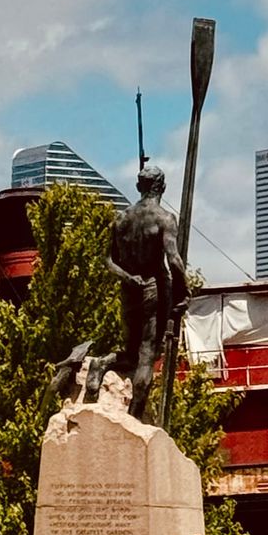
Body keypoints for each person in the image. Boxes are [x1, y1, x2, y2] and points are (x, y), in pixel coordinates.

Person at [84, 166, 188, 420]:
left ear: (139, 187)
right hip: (154, 289)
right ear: (161, 187)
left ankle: (102, 362)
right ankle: (135, 416)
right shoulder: (165, 218)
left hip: (129, 290)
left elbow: (108, 260)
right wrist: (184, 291)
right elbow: (173, 259)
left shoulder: (121, 219)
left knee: (130, 353)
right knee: (146, 354)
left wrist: (128, 278)